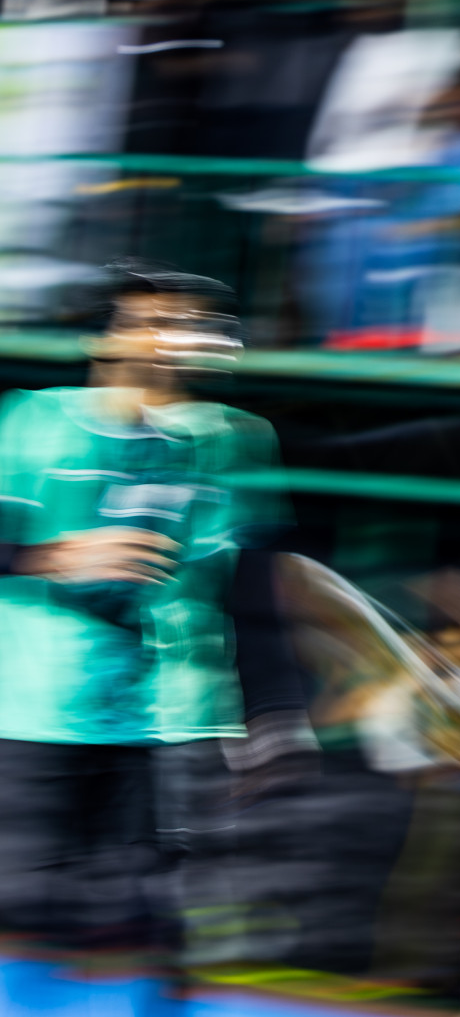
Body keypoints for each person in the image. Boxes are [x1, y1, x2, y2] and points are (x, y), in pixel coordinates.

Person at [0, 259, 304, 956]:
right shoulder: (31, 420)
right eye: (151, 324)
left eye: (186, 325)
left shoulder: (236, 438)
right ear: (103, 339)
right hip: (36, 719)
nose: (170, 340)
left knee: (151, 933)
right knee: (27, 930)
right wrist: (46, 557)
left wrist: (275, 713)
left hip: (174, 721)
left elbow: (252, 583)